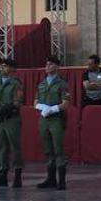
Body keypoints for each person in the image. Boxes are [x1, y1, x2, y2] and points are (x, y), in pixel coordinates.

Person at [36, 56, 71, 190]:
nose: (47, 67)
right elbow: (36, 101)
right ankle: (50, 178)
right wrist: (41, 107)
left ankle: (61, 180)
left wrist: (52, 109)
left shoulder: (62, 84)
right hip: (44, 119)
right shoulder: (42, 84)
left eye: (50, 64)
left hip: (56, 119)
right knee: (47, 149)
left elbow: (66, 103)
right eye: (46, 64)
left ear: (56, 67)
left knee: (58, 149)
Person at [0, 57, 24, 188]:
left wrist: (5, 109)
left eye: (6, 66)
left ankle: (17, 175)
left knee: (15, 147)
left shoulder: (16, 84)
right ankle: (3, 174)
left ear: (12, 69)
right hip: (1, 119)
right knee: (1, 147)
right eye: (2, 66)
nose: (2, 68)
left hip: (11, 118)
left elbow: (17, 101)